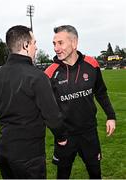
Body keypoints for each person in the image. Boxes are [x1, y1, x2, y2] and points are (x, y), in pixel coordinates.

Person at [0, 25, 68, 179]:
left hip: (4, 149)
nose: (36, 48)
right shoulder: (37, 77)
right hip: (28, 154)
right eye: (34, 43)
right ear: (25, 45)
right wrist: (62, 137)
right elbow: (52, 116)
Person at [44, 25, 116, 179]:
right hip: (64, 136)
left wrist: (111, 116)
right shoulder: (49, 73)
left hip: (89, 133)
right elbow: (46, 108)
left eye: (60, 43)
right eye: (54, 44)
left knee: (95, 173)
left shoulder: (92, 64)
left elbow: (101, 92)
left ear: (74, 42)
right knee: (62, 175)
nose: (56, 48)